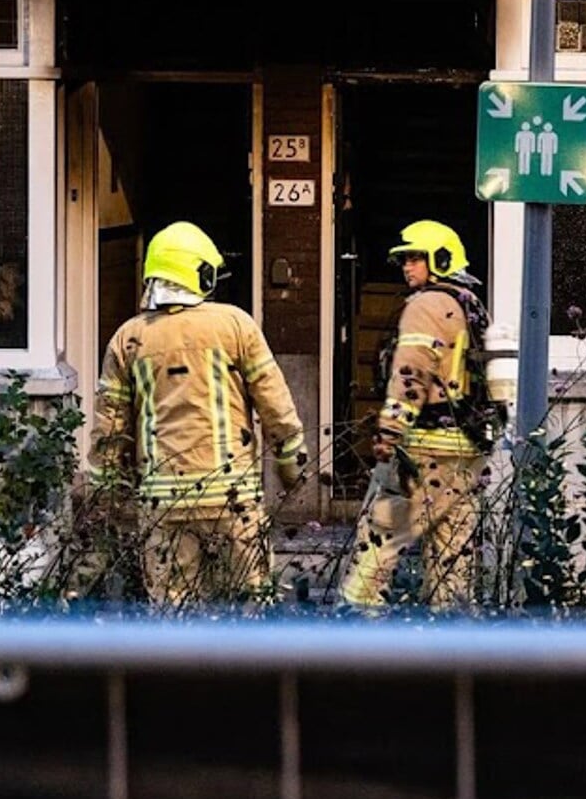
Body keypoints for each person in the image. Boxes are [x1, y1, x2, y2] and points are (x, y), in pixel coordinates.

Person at [92, 220, 307, 610]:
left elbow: (109, 429)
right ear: (201, 273)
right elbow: (274, 401)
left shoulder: (128, 338)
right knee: (250, 605)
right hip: (232, 497)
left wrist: (104, 496)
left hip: (164, 501)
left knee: (173, 614)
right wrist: (290, 462)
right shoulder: (235, 325)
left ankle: (181, 673)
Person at [340, 219, 498, 609]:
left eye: (415, 258)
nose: (407, 267)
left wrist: (390, 430)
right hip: (467, 450)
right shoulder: (472, 304)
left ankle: (356, 628)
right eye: (405, 260)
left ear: (440, 260)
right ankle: (450, 642)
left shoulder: (425, 305)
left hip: (424, 450)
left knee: (378, 541)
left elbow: (411, 371)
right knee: (453, 554)